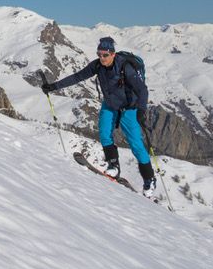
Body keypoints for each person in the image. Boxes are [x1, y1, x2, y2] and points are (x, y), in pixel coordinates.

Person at [42, 36, 156, 197]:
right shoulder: (98, 66)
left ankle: (149, 180)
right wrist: (54, 86)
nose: (102, 58)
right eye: (99, 54)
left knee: (136, 144)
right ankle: (113, 165)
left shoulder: (125, 67)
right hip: (110, 105)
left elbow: (142, 90)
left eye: (105, 55)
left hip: (129, 108)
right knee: (103, 132)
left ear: (113, 54)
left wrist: (142, 110)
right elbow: (78, 77)